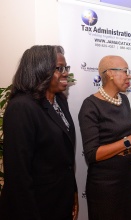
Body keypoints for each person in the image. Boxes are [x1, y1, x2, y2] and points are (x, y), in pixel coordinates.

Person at [0, 45, 78, 220]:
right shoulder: (21, 107)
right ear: (40, 69)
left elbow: (65, 159)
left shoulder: (60, 101)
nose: (65, 73)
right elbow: (18, 176)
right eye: (59, 68)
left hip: (59, 203)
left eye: (66, 68)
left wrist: (72, 192)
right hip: (35, 208)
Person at [78, 55, 131, 220]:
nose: (129, 76)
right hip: (105, 183)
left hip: (128, 175)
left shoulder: (123, 100)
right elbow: (92, 154)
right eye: (125, 71)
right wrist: (130, 141)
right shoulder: (90, 106)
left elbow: (120, 135)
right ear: (109, 74)